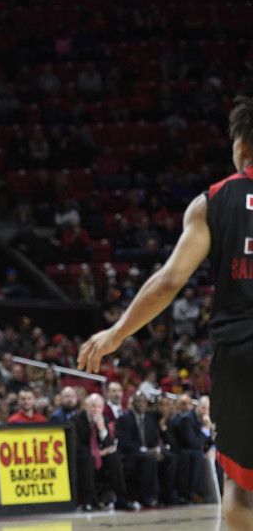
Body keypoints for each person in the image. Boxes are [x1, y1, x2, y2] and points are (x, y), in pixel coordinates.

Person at [78, 96, 253, 530]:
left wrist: (118, 332)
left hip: (240, 356)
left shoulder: (213, 201)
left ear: (242, 146)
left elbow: (170, 281)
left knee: (240, 493)